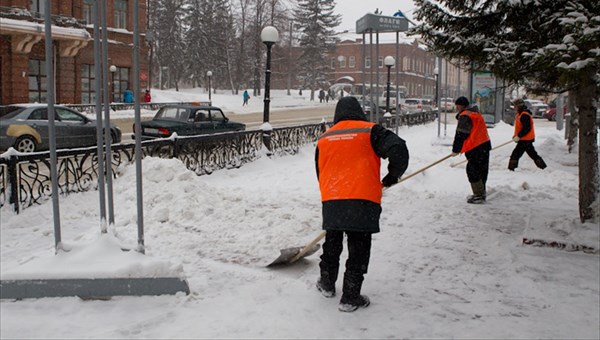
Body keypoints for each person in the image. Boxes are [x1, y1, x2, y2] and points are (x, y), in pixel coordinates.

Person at [315, 96, 409, 312]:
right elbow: (399, 150)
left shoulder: (324, 138)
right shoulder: (371, 131)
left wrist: (332, 191)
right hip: (362, 200)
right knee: (358, 249)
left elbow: (320, 172)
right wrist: (392, 176)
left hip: (333, 199)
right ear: (359, 111)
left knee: (332, 244)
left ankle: (327, 284)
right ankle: (350, 296)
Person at [450, 96, 491, 204]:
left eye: (457, 105)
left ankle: (478, 195)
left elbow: (461, 134)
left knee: (473, 170)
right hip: (484, 146)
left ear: (462, 105)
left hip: (475, 147)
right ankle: (481, 193)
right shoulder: (475, 114)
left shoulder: (466, 116)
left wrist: (456, 149)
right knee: (482, 170)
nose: (457, 107)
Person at [508, 98, 547, 171]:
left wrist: (519, 136)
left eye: (515, 106)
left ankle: (511, 169)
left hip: (525, 139)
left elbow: (527, 128)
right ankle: (543, 167)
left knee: (515, 155)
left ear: (519, 106)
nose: (514, 108)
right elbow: (520, 127)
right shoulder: (520, 114)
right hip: (525, 139)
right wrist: (516, 136)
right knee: (533, 154)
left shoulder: (524, 115)